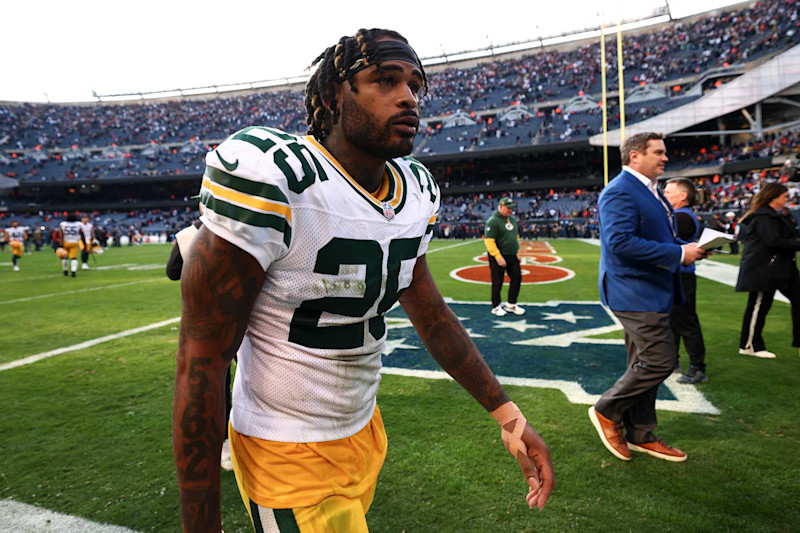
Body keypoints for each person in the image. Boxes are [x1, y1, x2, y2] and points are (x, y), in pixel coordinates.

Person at [173, 28, 554, 533]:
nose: (408, 98)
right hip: (283, 447)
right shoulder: (275, 175)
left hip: (364, 430)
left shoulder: (415, 190)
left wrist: (508, 414)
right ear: (334, 94)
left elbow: (432, 314)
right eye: (385, 80)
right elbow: (201, 360)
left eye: (415, 85)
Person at [589, 132, 706, 463]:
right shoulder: (620, 192)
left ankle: (640, 432)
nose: (665, 157)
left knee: (642, 361)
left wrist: (688, 251)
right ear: (634, 156)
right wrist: (678, 254)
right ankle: (606, 410)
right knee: (659, 361)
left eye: (664, 152)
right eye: (658, 152)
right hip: (633, 289)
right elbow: (620, 242)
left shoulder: (652, 192)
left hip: (651, 288)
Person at [165, 202, 235, 472]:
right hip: (243, 316)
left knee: (216, 385)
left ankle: (224, 448)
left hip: (205, 320)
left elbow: (172, 272)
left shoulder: (186, 234)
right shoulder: (237, 230)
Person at [735, 182, 800, 358]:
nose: (787, 200)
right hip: (764, 269)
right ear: (774, 197)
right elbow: (773, 242)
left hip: (778, 268)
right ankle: (749, 345)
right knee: (759, 305)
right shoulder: (763, 217)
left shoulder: (770, 216)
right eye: (784, 197)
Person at [663, 178, 708, 384]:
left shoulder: (680, 217)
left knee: (685, 320)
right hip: (680, 273)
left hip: (681, 274)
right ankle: (673, 361)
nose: (664, 193)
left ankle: (698, 367)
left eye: (668, 191)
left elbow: (665, 242)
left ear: (682, 196)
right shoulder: (682, 215)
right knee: (674, 320)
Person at [484, 196, 526, 316]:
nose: (510, 211)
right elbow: (489, 241)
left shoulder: (512, 219)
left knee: (517, 277)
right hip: (498, 256)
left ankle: (511, 304)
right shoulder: (493, 221)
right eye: (508, 208)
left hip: (511, 255)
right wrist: (497, 256)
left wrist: (516, 248)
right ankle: (496, 306)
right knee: (497, 281)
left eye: (512, 208)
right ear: (501, 207)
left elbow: (515, 235)